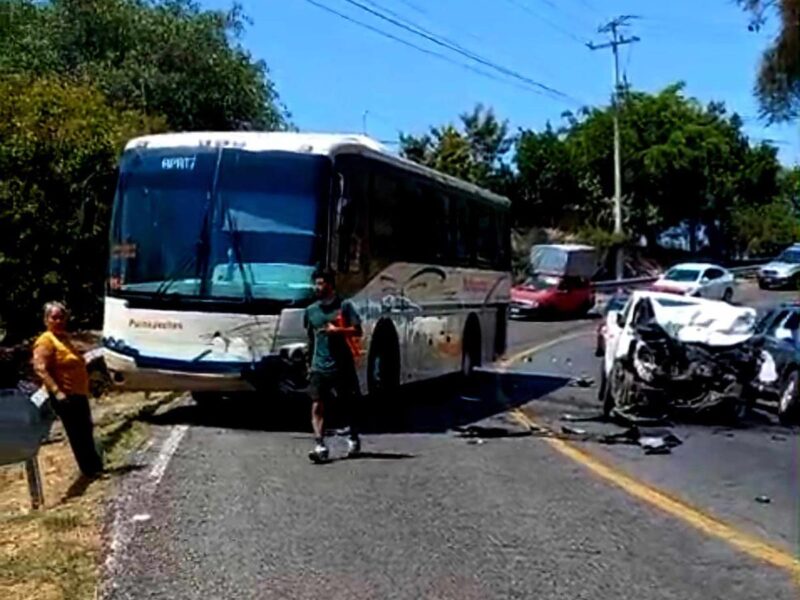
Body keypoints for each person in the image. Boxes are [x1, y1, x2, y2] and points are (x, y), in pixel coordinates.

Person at [32, 301, 103, 478]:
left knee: (86, 429)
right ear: (46, 320)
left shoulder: (64, 338)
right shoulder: (46, 341)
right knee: (77, 432)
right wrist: (57, 391)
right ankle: (89, 470)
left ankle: (95, 467)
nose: (58, 320)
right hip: (65, 395)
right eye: (54, 317)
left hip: (79, 392)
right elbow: (40, 368)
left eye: (61, 317)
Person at [304, 269, 363, 463]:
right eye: (316, 283)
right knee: (317, 406)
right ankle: (320, 445)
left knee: (348, 404)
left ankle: (353, 437)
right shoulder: (311, 310)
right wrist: (309, 365)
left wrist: (338, 331)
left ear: (330, 285)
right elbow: (311, 339)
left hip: (342, 366)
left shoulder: (344, 306)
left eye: (321, 283)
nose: (317, 287)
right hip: (319, 367)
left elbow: (357, 330)